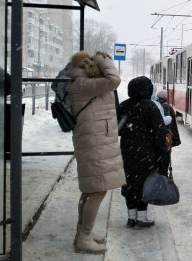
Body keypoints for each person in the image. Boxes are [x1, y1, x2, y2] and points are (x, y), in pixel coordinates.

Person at [67, 50, 125, 254]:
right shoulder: (84, 84)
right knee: (98, 190)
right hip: (94, 142)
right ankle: (84, 237)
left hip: (96, 140)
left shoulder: (83, 83)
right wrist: (105, 59)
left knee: (91, 190)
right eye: (92, 63)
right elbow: (114, 79)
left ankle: (83, 234)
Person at [117, 76, 168, 230]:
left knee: (129, 184)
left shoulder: (123, 106)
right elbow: (159, 133)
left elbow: (117, 128)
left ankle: (131, 218)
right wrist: (162, 153)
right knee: (143, 185)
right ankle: (142, 219)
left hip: (127, 151)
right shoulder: (150, 107)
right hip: (147, 153)